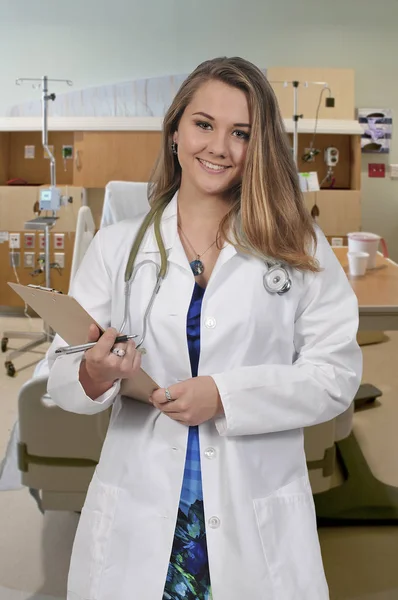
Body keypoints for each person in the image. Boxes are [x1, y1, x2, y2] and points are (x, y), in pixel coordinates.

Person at [47, 56, 362, 600]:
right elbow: (59, 374)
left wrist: (225, 396)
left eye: (240, 133)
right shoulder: (119, 246)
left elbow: (334, 375)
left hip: (252, 512)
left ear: (258, 146)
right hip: (140, 511)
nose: (218, 147)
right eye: (203, 124)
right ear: (175, 130)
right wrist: (95, 374)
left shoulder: (298, 248)